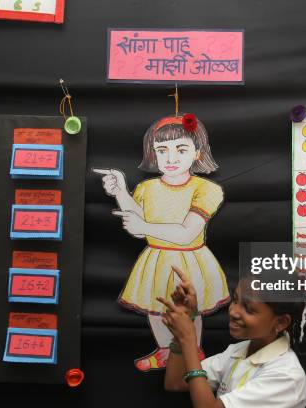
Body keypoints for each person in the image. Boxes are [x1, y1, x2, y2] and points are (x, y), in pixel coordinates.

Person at [93, 113, 230, 371]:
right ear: (154, 153)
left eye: (180, 149)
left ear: (197, 152)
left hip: (190, 260)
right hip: (155, 259)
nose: (171, 158)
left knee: (190, 310)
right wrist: (121, 191)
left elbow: (186, 233)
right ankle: (165, 351)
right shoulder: (147, 188)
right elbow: (137, 229)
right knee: (154, 310)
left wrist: (143, 226)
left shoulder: (207, 189)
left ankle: (193, 352)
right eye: (162, 150)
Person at [159, 267, 306, 408]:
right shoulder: (238, 351)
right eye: (235, 300)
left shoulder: (286, 377)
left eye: (248, 309)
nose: (233, 312)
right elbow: (176, 382)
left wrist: (188, 339)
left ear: (281, 322)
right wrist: (186, 323)